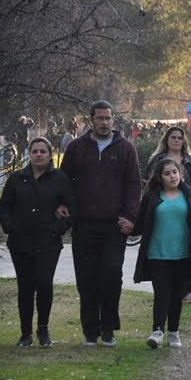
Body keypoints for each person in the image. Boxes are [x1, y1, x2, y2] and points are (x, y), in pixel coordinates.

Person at [60, 100, 141, 347]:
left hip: (114, 225)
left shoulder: (126, 148)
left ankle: (108, 328)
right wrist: (65, 206)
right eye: (100, 118)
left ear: (112, 120)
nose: (104, 123)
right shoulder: (76, 147)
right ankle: (90, 331)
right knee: (87, 278)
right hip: (84, 224)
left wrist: (130, 216)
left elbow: (133, 185)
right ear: (91, 120)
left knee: (111, 275)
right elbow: (64, 181)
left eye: (108, 118)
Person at [0, 137, 74, 347]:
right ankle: (25, 333)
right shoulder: (16, 178)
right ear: (29, 154)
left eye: (43, 151)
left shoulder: (59, 179)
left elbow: (72, 208)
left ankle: (43, 330)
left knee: (43, 283)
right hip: (20, 242)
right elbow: (4, 205)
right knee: (25, 287)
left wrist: (58, 229)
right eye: (35, 151)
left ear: (50, 155)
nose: (39, 154)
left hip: (48, 242)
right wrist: (9, 226)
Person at [132, 158, 191, 348]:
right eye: (167, 173)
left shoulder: (190, 196)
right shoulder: (152, 197)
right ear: (160, 177)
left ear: (181, 174)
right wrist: (127, 226)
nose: (172, 176)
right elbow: (140, 223)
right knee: (161, 293)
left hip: (183, 255)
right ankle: (157, 330)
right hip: (158, 254)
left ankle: (174, 331)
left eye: (174, 172)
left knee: (177, 295)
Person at [144, 126, 191, 304]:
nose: (177, 141)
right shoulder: (158, 160)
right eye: (173, 137)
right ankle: (164, 286)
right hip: (165, 206)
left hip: (188, 207)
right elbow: (149, 182)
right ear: (167, 139)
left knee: (188, 245)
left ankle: (188, 289)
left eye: (180, 138)